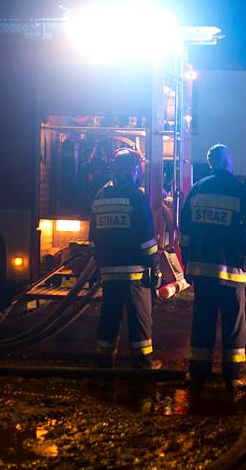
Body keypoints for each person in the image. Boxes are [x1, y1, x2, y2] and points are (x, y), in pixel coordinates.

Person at [180, 144, 246, 392]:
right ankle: (234, 376)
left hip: (202, 273)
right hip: (230, 272)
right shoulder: (239, 191)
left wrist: (189, 265)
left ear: (210, 163)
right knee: (234, 324)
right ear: (227, 163)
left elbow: (184, 233)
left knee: (202, 322)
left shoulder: (196, 190)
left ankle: (198, 375)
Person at [89, 148, 163, 369]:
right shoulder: (136, 197)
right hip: (135, 274)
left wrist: (100, 265)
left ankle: (104, 361)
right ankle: (142, 364)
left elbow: (93, 239)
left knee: (109, 318)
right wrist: (156, 267)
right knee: (139, 321)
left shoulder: (100, 196)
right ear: (134, 170)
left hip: (109, 272)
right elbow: (147, 240)